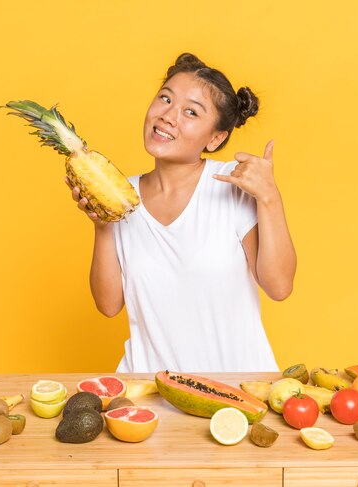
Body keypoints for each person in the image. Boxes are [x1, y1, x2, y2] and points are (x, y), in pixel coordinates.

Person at [66, 53, 297, 373]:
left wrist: (270, 197)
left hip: (237, 393)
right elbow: (108, 306)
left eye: (190, 112)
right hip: (148, 393)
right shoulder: (120, 193)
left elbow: (279, 286)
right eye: (165, 99)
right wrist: (102, 223)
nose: (168, 116)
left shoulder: (233, 184)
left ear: (216, 138)